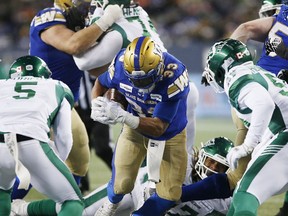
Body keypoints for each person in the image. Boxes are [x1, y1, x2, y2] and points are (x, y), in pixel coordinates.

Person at [73, 0, 199, 193]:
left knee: (157, 159)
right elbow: (100, 76)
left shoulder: (117, 33)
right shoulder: (136, 14)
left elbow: (81, 58)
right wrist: (97, 102)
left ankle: (145, 197)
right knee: (180, 168)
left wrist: (98, 23)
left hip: (163, 93)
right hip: (175, 88)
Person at [11, 0, 124, 199]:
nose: (87, 5)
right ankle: (11, 201)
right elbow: (73, 45)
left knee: (79, 154)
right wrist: (105, 21)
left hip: (61, 101)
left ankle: (73, 198)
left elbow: (92, 66)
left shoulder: (77, 24)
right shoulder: (50, 17)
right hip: (41, 101)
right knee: (38, 163)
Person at [90, 36, 190, 216]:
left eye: (145, 79)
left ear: (159, 68)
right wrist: (96, 103)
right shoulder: (121, 65)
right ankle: (110, 205)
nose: (139, 84)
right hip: (134, 130)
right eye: (134, 80)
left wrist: (124, 116)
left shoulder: (174, 75)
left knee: (170, 194)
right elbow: (101, 82)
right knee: (122, 184)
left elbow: (159, 127)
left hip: (170, 134)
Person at [11, 137, 233, 216]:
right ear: (201, 156)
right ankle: (22, 209)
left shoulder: (223, 197)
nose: (213, 168)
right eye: (211, 161)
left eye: (220, 167)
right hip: (135, 189)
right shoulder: (181, 164)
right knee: (80, 210)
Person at [203, 38, 288, 216]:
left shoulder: (236, 77)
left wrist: (247, 146)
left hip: (285, 133)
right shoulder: (256, 71)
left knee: (244, 195)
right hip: (280, 132)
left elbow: (264, 104)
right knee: (239, 198)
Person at [0, 55, 84, 216]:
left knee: (2, 192)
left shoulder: (2, 84)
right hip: (29, 140)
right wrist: (54, 162)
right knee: (72, 201)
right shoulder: (57, 86)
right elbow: (64, 136)